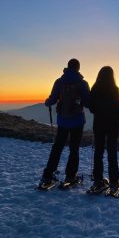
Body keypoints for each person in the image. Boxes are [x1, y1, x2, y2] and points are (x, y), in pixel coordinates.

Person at [40, 58, 90, 186]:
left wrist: (47, 101)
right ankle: (70, 176)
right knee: (74, 149)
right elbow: (88, 102)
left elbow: (51, 100)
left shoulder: (59, 82)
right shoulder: (82, 83)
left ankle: (48, 175)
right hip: (78, 121)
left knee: (57, 147)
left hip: (62, 121)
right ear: (78, 68)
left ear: (67, 67)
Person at [89, 66, 119, 193]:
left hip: (98, 124)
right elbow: (117, 108)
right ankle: (114, 182)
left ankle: (98, 180)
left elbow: (91, 107)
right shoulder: (114, 89)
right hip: (112, 125)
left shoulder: (94, 88)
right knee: (112, 152)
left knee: (98, 152)